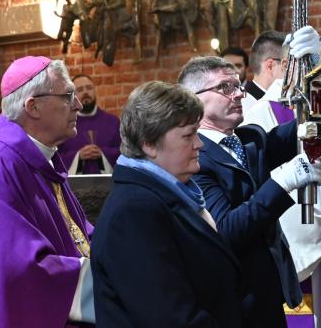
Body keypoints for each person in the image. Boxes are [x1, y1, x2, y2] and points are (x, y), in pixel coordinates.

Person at [178, 28, 321, 328]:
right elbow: (226, 230)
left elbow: (313, 122)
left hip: (270, 292)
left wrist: (311, 69)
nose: (239, 94)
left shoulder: (250, 139)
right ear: (193, 100)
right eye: (225, 88)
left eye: (238, 85)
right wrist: (282, 183)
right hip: (233, 300)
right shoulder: (194, 158)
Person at [0, 56, 95, 328]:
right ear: (32, 106)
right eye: (67, 96)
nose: (78, 105)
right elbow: (17, 270)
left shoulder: (41, 160)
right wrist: (101, 280)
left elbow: (77, 232)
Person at [92, 81, 242, 327]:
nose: (199, 144)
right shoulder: (133, 212)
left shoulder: (170, 193)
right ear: (149, 144)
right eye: (188, 135)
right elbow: (170, 317)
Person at [243, 42, 321, 328]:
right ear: (286, 67)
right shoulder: (262, 114)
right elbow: (269, 184)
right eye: (312, 61)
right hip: (304, 252)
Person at [56, 74, 120, 174]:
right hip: (74, 184)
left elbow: (124, 154)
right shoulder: (63, 124)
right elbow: (55, 157)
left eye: (89, 88)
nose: (85, 92)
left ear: (95, 91)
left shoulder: (113, 122)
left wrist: (102, 154)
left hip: (108, 183)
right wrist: (78, 156)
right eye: (80, 89)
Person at [242, 30, 286, 115]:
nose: (292, 73)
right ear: (270, 66)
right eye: (286, 65)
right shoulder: (243, 106)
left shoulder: (278, 100)